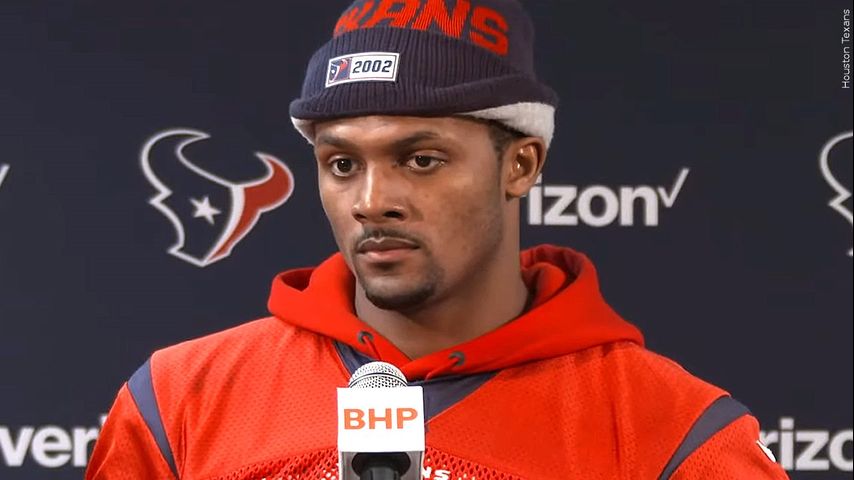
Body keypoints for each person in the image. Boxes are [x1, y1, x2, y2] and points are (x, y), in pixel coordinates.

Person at [86, 1, 790, 478]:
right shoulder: (177, 400)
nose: (372, 201)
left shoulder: (674, 432)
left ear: (520, 165)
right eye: (342, 164)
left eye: (421, 159)